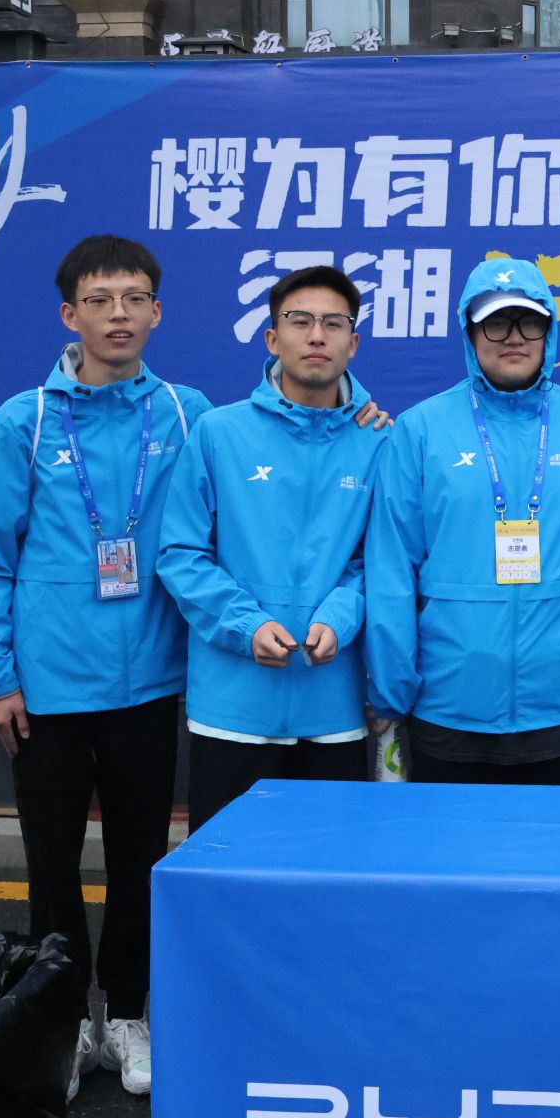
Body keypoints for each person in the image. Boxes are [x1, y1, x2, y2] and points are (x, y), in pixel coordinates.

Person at [0, 235, 212, 1100]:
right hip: (48, 690)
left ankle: (130, 1013)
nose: (118, 314)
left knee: (143, 859)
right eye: (99, 300)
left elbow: (281, 423)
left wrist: (360, 411)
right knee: (53, 866)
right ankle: (63, 1020)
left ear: (157, 312)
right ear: (70, 315)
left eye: (134, 298)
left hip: (149, 683)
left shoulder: (185, 413)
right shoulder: (24, 421)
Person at [365, 258, 560, 784]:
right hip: (448, 705)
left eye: (529, 322)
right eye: (495, 323)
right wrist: (391, 691)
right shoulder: (420, 429)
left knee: (557, 840)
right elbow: (391, 569)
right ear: (469, 333)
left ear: (549, 331)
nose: (514, 337)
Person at [159, 266, 391, 832]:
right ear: (271, 337)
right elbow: (182, 554)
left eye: (334, 323)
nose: (317, 336)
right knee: (227, 868)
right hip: (232, 709)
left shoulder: (381, 440)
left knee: (327, 868)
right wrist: (246, 626)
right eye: (300, 321)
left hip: (332, 707)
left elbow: (383, 561)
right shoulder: (219, 433)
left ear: (354, 342)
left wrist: (340, 617)